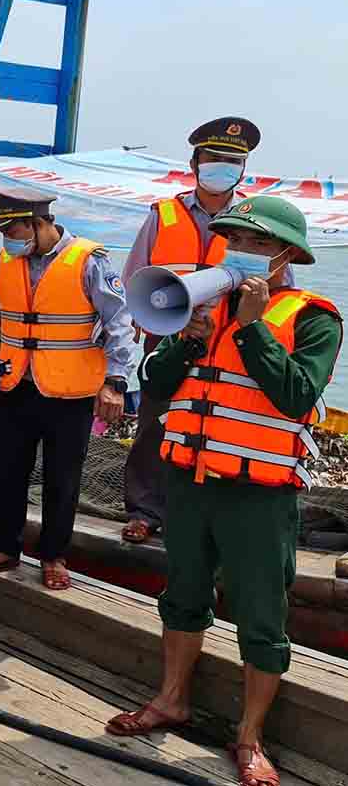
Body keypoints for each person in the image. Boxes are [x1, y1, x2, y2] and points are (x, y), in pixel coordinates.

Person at [106, 196, 341, 786]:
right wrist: (188, 338)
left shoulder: (313, 318)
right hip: (188, 483)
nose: (240, 251)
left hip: (257, 496)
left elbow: (295, 396)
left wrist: (254, 327)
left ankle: (250, 737)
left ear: (286, 255)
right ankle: (171, 700)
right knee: (182, 596)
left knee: (262, 615)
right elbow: (156, 384)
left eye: (257, 243)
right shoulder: (203, 307)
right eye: (234, 239)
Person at [0, 188, 134, 591]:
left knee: (63, 479)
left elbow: (119, 322)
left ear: (38, 224)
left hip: (70, 392)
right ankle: (5, 546)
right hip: (15, 385)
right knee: (3, 473)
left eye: (13, 229)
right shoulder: (6, 261)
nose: (8, 238)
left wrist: (115, 382)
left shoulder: (89, 261)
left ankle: (53, 556)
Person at [120, 117, 259, 544]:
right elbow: (134, 280)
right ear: (194, 163)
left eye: (231, 160)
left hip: (228, 343)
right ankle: (145, 511)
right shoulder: (163, 215)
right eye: (213, 158)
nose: (221, 166)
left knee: (218, 424)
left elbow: (280, 284)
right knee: (154, 425)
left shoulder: (257, 220)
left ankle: (205, 516)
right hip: (166, 336)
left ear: (244, 169)